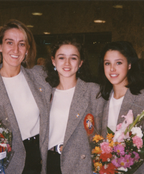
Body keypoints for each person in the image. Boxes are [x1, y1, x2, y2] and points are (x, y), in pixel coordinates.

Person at [0, 19, 48, 174]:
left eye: (21, 43)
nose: (16, 49)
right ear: (0, 46)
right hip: (7, 163)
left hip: (40, 160)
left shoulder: (40, 76)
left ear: (27, 49)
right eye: (9, 42)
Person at [97, 41, 144, 173]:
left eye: (118, 63)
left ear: (130, 65)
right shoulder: (100, 100)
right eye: (107, 63)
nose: (112, 69)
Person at [43, 39, 104, 173]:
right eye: (61, 57)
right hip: (50, 162)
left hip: (80, 164)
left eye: (73, 58)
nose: (67, 63)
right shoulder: (45, 92)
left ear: (80, 62)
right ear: (53, 61)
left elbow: (102, 132)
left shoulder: (92, 91)